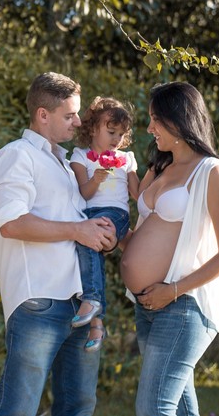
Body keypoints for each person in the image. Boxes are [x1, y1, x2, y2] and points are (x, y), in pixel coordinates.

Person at [0, 72, 117, 416]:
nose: (79, 122)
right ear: (43, 114)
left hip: (80, 303)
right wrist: (78, 230)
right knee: (19, 408)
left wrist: (100, 233)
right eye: (69, 115)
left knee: (79, 406)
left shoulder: (66, 164)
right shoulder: (17, 156)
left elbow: (80, 227)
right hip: (39, 301)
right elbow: (12, 223)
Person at [120, 82, 219, 416]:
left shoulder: (211, 171)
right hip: (147, 305)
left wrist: (172, 291)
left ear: (179, 119)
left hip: (183, 305)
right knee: (181, 408)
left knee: (153, 407)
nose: (149, 128)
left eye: (156, 119)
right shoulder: (160, 167)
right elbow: (146, 234)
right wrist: (113, 237)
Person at [68, 97, 140, 352]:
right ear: (92, 129)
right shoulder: (80, 157)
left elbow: (137, 194)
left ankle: (92, 301)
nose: (116, 139)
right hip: (90, 214)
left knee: (90, 240)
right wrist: (96, 179)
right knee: (86, 254)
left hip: (116, 215)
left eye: (121, 134)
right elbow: (85, 193)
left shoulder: (126, 159)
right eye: (111, 132)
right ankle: (96, 322)